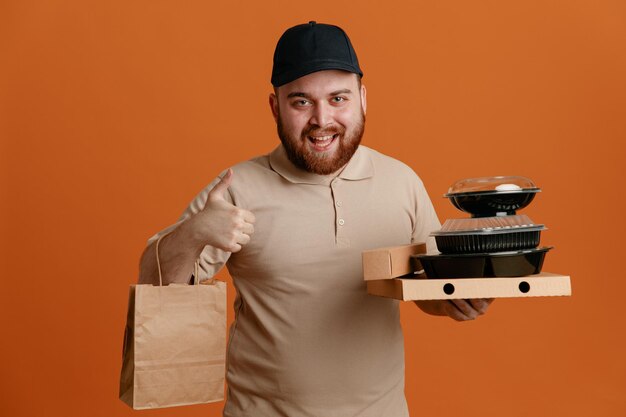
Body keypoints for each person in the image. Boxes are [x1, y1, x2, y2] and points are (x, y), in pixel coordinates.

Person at [139, 21, 493, 417]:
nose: (321, 119)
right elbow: (156, 288)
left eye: (338, 98)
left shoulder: (402, 182)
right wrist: (193, 233)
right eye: (301, 101)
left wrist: (455, 302)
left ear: (362, 99)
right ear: (275, 106)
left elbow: (430, 286)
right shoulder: (237, 189)